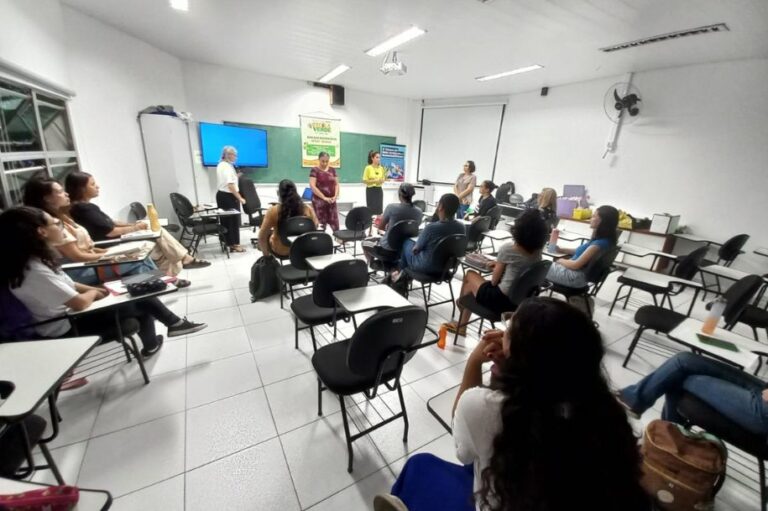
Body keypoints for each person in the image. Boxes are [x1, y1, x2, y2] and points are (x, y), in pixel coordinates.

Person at [374, 298, 650, 511]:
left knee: (420, 464)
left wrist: (474, 362)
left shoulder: (485, 409)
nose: (502, 333)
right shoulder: (606, 411)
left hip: (506, 500)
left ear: (520, 355)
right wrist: (515, 372)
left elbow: (463, 451)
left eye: (509, 331)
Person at [0, 207, 207, 358]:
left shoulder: (34, 261)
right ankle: (172, 325)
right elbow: (79, 303)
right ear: (41, 232)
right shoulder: (34, 271)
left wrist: (99, 289)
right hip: (68, 325)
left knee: (135, 288)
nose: (59, 226)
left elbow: (67, 283)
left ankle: (167, 330)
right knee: (137, 294)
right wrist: (94, 294)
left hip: (70, 313)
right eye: (54, 224)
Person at [65, 172, 209, 279]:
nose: (97, 186)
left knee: (161, 246)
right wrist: (135, 228)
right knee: (159, 242)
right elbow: (111, 231)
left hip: (117, 239)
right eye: (92, 184)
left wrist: (133, 224)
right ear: (81, 188)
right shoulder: (83, 209)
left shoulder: (87, 207)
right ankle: (182, 263)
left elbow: (110, 222)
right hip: (111, 244)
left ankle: (172, 273)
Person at [22, 176, 161, 286]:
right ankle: (153, 289)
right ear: (46, 199)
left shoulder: (63, 216)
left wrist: (110, 253)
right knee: (139, 264)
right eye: (59, 192)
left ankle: (151, 294)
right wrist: (112, 257)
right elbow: (78, 256)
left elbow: (88, 247)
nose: (66, 194)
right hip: (79, 270)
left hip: (90, 261)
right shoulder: (52, 225)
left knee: (141, 259)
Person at [443, 210, 547, 335]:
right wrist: (502, 266)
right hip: (521, 302)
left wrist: (498, 266)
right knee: (470, 286)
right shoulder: (538, 252)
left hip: (500, 300)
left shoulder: (508, 248)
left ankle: (461, 308)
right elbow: (520, 270)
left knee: (470, 275)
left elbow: (494, 281)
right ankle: (462, 314)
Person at [617, 352, 768, 435]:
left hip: (763, 412)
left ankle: (668, 435)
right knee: (684, 360)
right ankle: (667, 431)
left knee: (678, 375)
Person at [392, 193, 464, 280]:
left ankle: (400, 274)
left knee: (407, 242)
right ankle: (401, 274)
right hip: (446, 267)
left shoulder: (431, 228)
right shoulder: (461, 227)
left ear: (440, 206)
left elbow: (415, 250)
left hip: (426, 267)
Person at [546, 205, 619, 289]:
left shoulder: (598, 244)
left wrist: (560, 260)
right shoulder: (606, 240)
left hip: (574, 277)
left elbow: (575, 265)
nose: (591, 219)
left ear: (603, 221)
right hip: (578, 276)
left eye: (594, 216)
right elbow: (581, 252)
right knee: (541, 265)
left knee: (537, 266)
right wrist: (561, 249)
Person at [362, 183, 423, 262]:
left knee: (364, 243)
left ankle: (374, 265)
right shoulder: (419, 211)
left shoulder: (391, 207)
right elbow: (412, 228)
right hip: (405, 249)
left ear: (399, 194)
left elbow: (381, 227)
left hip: (387, 248)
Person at [257, 179, 318, 258]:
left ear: (278, 193)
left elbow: (262, 236)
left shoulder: (273, 211)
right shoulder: (308, 208)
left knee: (266, 234)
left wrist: (266, 256)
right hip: (302, 249)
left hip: (281, 250)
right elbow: (315, 227)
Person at [215, 146, 247, 253]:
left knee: (226, 221)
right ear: (228, 155)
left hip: (222, 195)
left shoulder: (221, 165)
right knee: (232, 221)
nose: (236, 157)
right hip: (228, 196)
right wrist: (240, 198)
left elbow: (228, 180)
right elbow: (230, 186)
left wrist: (236, 176)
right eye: (234, 155)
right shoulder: (227, 167)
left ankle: (228, 243)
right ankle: (235, 245)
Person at [309, 151, 340, 232]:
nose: (325, 163)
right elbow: (312, 186)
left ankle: (339, 240)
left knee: (335, 223)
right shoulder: (314, 170)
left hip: (331, 201)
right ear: (319, 160)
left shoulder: (332, 170)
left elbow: (337, 184)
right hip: (319, 202)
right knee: (321, 225)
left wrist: (335, 196)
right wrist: (324, 197)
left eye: (327, 161)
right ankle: (320, 242)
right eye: (323, 161)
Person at [363, 150, 386, 216]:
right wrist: (375, 181)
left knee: (379, 209)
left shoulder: (381, 168)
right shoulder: (368, 168)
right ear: (372, 158)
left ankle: (378, 223)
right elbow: (364, 180)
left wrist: (382, 180)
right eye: (377, 157)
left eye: (379, 157)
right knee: (370, 209)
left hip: (379, 190)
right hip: (370, 190)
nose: (379, 159)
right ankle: (370, 224)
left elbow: (383, 178)